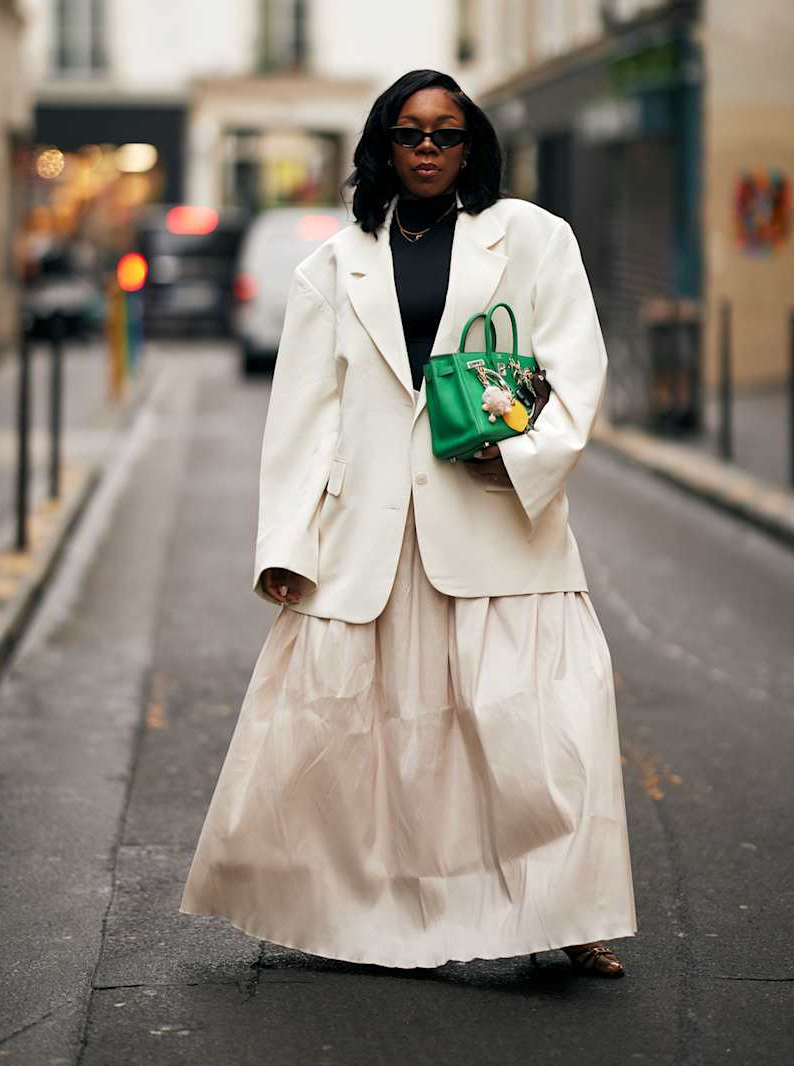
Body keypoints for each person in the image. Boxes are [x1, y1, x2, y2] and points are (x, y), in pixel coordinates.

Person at [179, 69, 638, 978]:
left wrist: (513, 457)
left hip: (502, 523)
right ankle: (335, 907)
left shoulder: (535, 239)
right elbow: (304, 414)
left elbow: (576, 373)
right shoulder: (332, 262)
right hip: (368, 538)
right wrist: (285, 543)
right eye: (410, 132)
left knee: (539, 731)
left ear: (473, 147)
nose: (428, 147)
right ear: (383, 144)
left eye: (446, 133)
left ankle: (565, 911)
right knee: (352, 741)